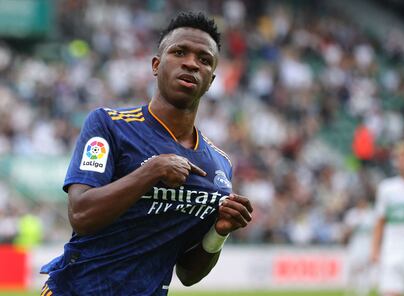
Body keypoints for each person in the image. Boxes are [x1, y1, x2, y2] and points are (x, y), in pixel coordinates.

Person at [40, 12, 253, 296]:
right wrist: (152, 170)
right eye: (179, 52)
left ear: (211, 80)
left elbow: (188, 274)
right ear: (156, 65)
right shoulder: (109, 125)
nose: (191, 63)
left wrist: (219, 232)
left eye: (204, 59)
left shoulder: (219, 166)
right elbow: (81, 214)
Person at [371, 140, 404, 296]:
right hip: (392, 251)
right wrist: (375, 249)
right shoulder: (387, 188)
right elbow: (380, 221)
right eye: (400, 158)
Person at [343, 196, 376, 296]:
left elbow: (375, 232)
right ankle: (349, 290)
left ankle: (363, 292)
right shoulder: (351, 214)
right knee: (352, 267)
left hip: (367, 246)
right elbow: (345, 232)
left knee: (365, 269)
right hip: (354, 246)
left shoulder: (371, 215)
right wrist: (353, 227)